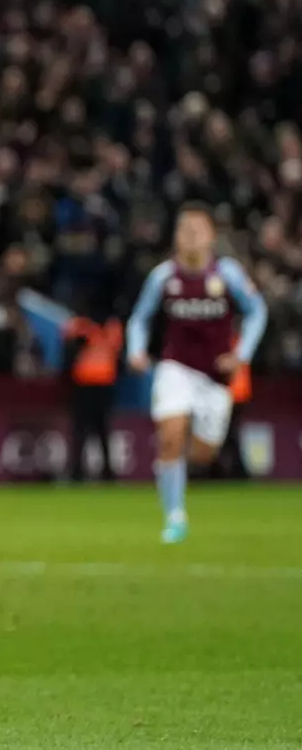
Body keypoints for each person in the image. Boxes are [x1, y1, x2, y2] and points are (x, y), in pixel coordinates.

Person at [126, 202, 267, 544]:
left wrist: (241, 355)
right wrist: (136, 350)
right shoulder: (163, 276)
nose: (189, 236)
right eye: (183, 229)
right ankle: (174, 516)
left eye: (196, 230)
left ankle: (170, 467)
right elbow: (140, 318)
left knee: (203, 453)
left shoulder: (228, 274)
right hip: (175, 368)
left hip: (215, 378)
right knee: (171, 435)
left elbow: (257, 311)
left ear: (210, 237)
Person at [63, 307, 122, 481]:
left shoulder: (113, 326)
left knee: (102, 429)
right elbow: (67, 352)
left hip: (104, 384)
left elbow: (118, 356)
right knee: (81, 429)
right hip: (83, 384)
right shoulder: (79, 325)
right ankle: (77, 471)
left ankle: (107, 471)